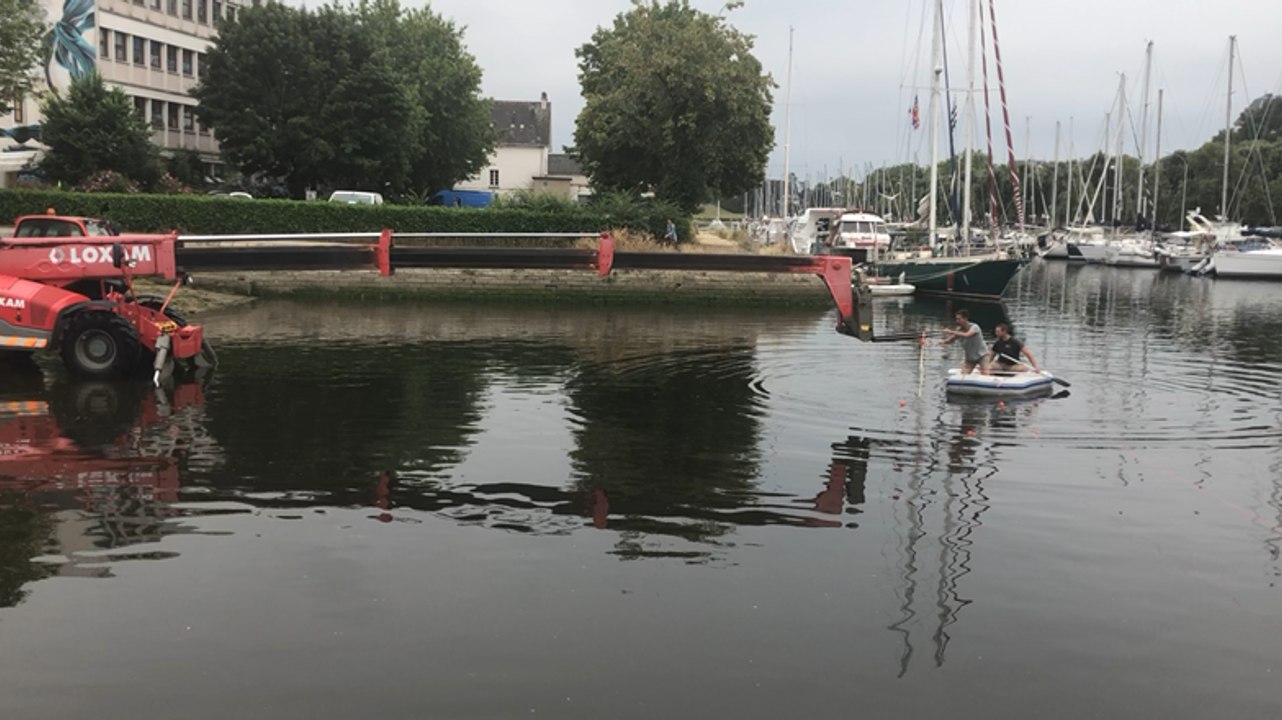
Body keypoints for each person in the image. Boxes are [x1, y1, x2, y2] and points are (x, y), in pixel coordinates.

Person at [940, 309, 989, 375]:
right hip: (970, 358)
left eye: (959, 319)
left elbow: (967, 335)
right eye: (956, 319)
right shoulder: (960, 330)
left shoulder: (974, 327)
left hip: (982, 356)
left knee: (986, 376)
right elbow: (951, 339)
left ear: (965, 319)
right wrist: (943, 342)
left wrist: (950, 331)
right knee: (963, 376)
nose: (957, 321)